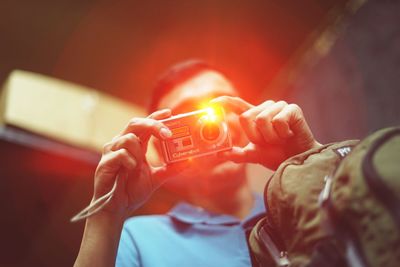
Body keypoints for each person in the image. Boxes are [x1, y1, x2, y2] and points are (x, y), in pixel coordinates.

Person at [74, 60, 321, 267]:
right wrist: (107, 214)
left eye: (221, 106)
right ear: (162, 148)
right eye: (189, 118)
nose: (211, 126)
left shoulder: (298, 204)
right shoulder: (138, 238)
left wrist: (313, 162)